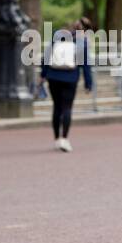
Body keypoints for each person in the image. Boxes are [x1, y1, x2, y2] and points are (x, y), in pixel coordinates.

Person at [40, 16, 94, 152]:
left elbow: (46, 55)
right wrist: (88, 83)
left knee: (57, 107)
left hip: (53, 75)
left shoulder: (58, 34)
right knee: (67, 108)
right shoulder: (82, 42)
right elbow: (85, 65)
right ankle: (65, 139)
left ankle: (57, 139)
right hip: (70, 77)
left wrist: (43, 74)